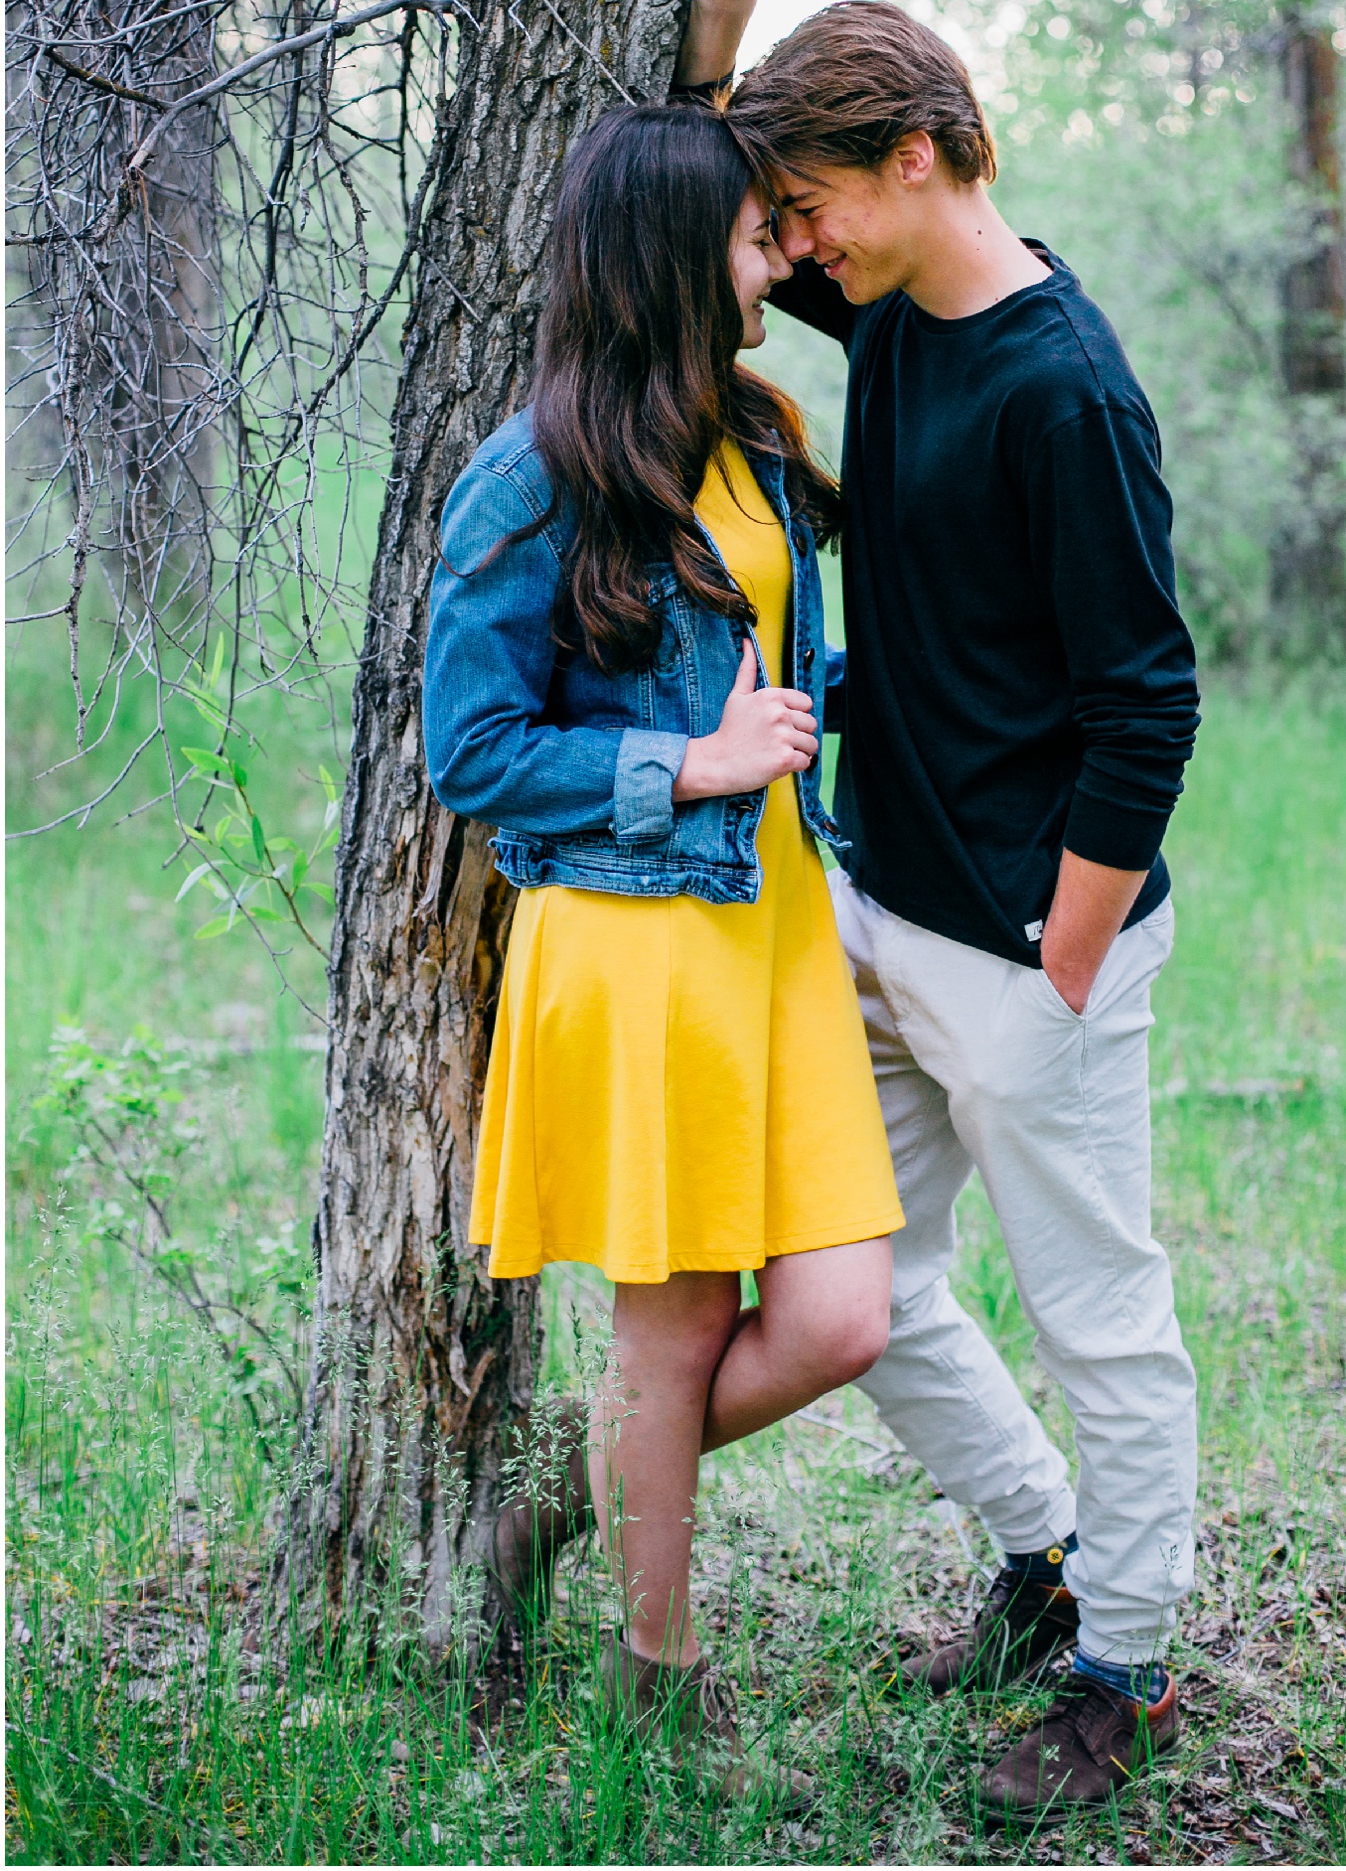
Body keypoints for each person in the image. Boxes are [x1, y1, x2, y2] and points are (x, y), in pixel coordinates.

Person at [671, 0, 1201, 1824]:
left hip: (1031, 949)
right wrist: (726, 11)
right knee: (867, 1287)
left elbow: (1149, 700)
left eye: (813, 207)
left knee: (1101, 1313)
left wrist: (1061, 961)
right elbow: (697, 201)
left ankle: (1126, 1667)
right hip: (879, 909)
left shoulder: (1067, 391)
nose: (791, 250)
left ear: (919, 159)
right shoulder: (885, 295)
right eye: (788, 226)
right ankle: (1046, 1550)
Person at [422, 95, 904, 1794]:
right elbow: (467, 749)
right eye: (753, 227)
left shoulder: (754, 427)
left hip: (772, 921)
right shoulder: (532, 473)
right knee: (678, 1323)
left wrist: (717, 27)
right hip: (635, 943)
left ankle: (563, 1498)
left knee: (844, 1310)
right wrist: (681, 760)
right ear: (670, 252)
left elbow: (787, 663)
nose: (781, 246)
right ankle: (657, 1680)